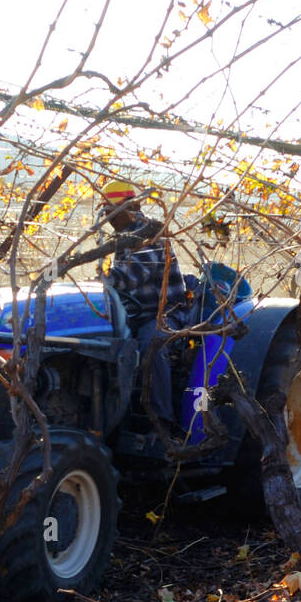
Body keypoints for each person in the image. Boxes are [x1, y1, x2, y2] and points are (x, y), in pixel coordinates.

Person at [99, 179, 188, 429]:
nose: (109, 218)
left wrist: (102, 280)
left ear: (132, 206)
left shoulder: (150, 235)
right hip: (134, 315)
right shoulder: (122, 239)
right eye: (106, 212)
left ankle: (161, 421)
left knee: (151, 343)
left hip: (165, 314)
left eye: (112, 212)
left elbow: (129, 276)